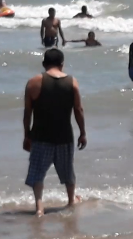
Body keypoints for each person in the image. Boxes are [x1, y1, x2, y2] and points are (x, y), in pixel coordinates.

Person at [23, 48, 87, 217]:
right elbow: (78, 110)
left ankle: (39, 207)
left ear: (44, 64)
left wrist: (26, 135)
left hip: (40, 135)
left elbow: (27, 112)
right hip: (64, 136)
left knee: (37, 171)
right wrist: (82, 132)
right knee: (67, 171)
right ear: (62, 64)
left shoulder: (33, 83)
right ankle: (71, 201)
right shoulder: (72, 83)